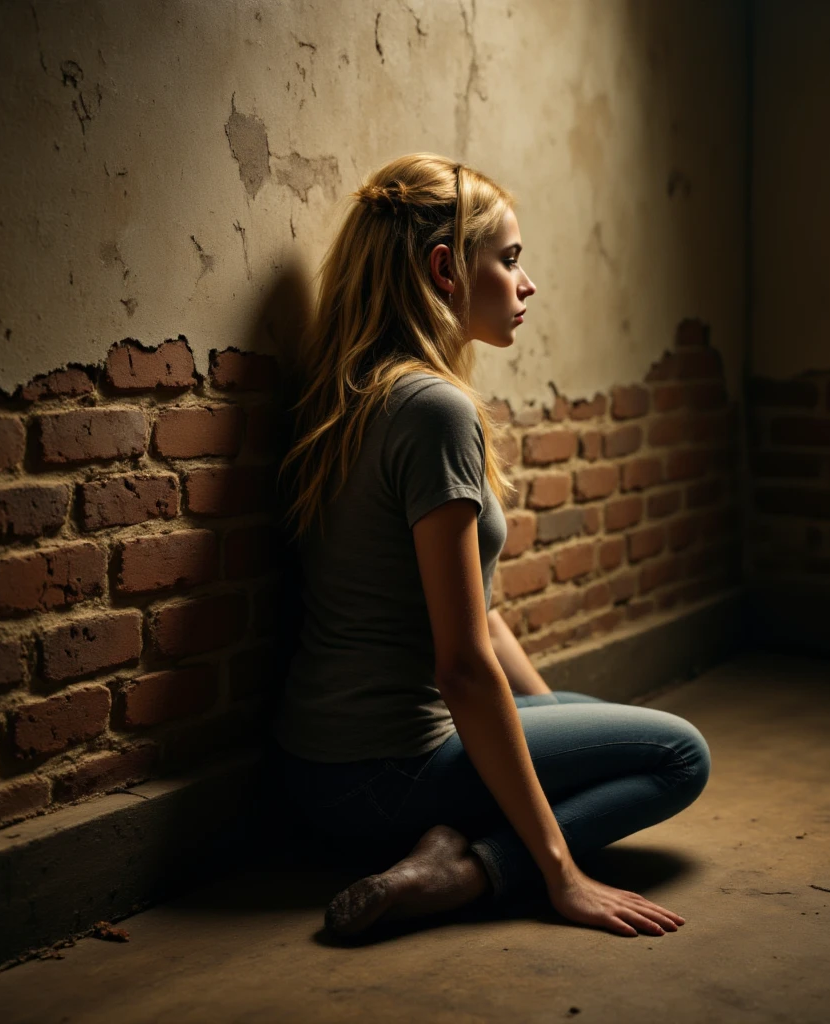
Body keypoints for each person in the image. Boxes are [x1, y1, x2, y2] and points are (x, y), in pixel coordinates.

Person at [273, 153, 711, 940]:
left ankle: (450, 837)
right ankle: (470, 871)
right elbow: (463, 667)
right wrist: (562, 869)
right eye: (509, 259)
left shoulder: (348, 390)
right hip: (389, 773)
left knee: (575, 711)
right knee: (679, 755)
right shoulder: (434, 410)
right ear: (444, 268)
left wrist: (559, 732)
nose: (526, 282)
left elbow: (481, 619)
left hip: (314, 774)